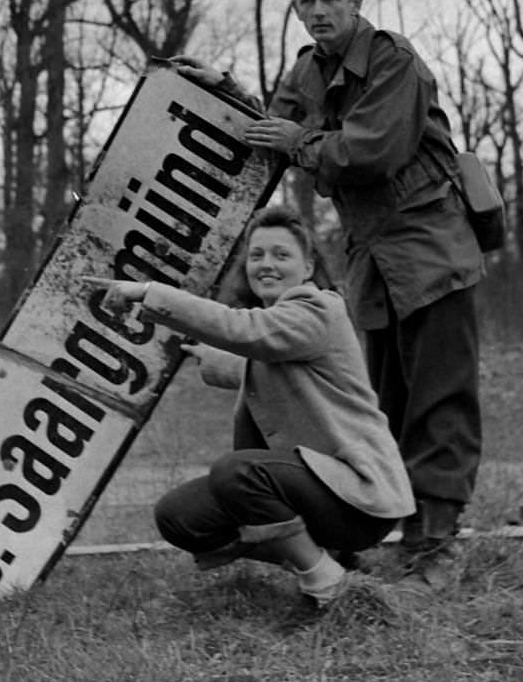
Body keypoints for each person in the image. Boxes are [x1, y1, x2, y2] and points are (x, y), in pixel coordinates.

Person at [175, 0, 484, 587]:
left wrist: (300, 142)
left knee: (439, 399)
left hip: (431, 247)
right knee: (379, 403)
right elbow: (272, 134)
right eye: (306, 0)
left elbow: (371, 150)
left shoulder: (393, 61)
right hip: (372, 257)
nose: (318, 11)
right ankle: (386, 526)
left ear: (356, 2)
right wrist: (216, 95)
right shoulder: (307, 70)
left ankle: (436, 544)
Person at [88, 204, 413, 607]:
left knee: (236, 472)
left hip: (360, 499)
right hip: (317, 491)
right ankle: (328, 557)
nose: (266, 265)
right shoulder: (281, 329)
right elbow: (264, 358)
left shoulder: (319, 309)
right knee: (179, 516)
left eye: (281, 255)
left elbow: (247, 333)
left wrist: (150, 294)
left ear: (308, 267)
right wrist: (212, 359)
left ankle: (330, 587)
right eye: (256, 255)